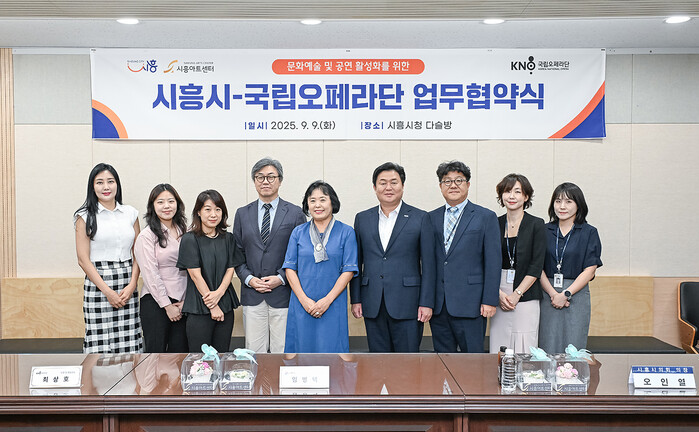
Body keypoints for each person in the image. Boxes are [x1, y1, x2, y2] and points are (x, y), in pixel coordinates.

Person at [350, 162, 435, 352]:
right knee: (377, 361)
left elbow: (429, 265)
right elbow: (356, 262)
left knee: (408, 362)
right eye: (383, 183)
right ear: (374, 187)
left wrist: (426, 302)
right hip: (373, 302)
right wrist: (355, 299)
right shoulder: (362, 218)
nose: (388, 187)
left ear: (402, 186)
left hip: (409, 303)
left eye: (394, 182)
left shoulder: (420, 217)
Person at [233, 157, 306, 353]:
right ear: (254, 181)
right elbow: (237, 253)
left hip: (283, 294)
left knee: (283, 350)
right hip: (252, 293)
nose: (265, 181)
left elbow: (301, 254)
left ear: (280, 180)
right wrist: (249, 279)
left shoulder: (295, 213)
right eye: (260, 177)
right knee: (254, 351)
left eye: (271, 177)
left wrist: (281, 278)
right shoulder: (242, 213)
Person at [429, 161, 501, 353]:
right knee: (442, 360)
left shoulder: (485, 217)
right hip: (439, 305)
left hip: (472, 304)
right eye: (447, 181)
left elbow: (493, 262)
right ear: (440, 186)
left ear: (468, 184)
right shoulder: (431, 218)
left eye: (459, 180)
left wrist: (489, 300)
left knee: (472, 360)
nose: (453, 185)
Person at [74, 162, 143, 353]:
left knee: (128, 341)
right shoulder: (84, 216)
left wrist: (132, 284)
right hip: (98, 283)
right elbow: (83, 260)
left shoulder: (130, 213)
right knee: (100, 343)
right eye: (100, 182)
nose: (106, 187)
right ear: (92, 186)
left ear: (117, 185)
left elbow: (138, 253)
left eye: (110, 181)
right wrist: (108, 292)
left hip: (127, 282)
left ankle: (130, 374)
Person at [282, 181, 358, 353]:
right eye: (312, 200)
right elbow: (290, 268)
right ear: (307, 205)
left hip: (332, 303)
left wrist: (327, 301)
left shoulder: (346, 232)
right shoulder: (298, 232)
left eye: (323, 199)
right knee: (301, 352)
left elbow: (348, 270)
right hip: (302, 303)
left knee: (332, 351)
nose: (317, 205)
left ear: (332, 202)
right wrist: (304, 300)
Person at [177, 190, 244, 353]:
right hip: (199, 306)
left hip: (225, 303)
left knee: (222, 355)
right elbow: (195, 275)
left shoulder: (228, 238)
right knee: (200, 359)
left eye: (218, 209)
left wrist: (219, 294)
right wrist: (213, 306)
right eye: (208, 209)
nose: (213, 214)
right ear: (198, 212)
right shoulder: (189, 239)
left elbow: (230, 269)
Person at [539, 182, 602, 353]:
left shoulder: (589, 232)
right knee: (547, 343)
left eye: (568, 202)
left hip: (577, 293)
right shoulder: (544, 230)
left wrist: (566, 294)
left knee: (574, 346)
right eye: (558, 201)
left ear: (578, 204)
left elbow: (590, 269)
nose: (562, 206)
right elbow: (537, 267)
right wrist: (554, 294)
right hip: (547, 293)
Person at [488, 174, 546, 354]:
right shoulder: (494, 223)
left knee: (524, 341)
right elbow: (487, 261)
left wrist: (517, 294)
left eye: (517, 192)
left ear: (526, 196)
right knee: (499, 341)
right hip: (498, 290)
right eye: (507, 191)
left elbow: (536, 265)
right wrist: (497, 293)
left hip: (526, 290)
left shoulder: (536, 224)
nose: (511, 196)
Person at [134, 184, 188, 353]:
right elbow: (150, 274)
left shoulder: (185, 231)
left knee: (179, 355)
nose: (166, 206)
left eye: (171, 201)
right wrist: (167, 306)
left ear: (177, 204)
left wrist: (187, 302)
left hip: (183, 303)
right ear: (152, 206)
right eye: (160, 202)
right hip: (156, 302)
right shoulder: (146, 236)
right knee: (155, 356)